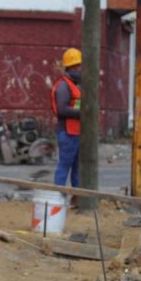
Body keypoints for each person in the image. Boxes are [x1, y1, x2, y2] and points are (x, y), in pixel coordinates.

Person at [51, 48, 82, 188]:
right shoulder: (63, 86)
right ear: (70, 67)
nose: (80, 69)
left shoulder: (75, 85)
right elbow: (62, 110)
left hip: (76, 132)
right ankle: (57, 200)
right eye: (77, 66)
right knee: (64, 166)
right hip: (68, 133)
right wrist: (83, 113)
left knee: (78, 169)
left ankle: (77, 198)